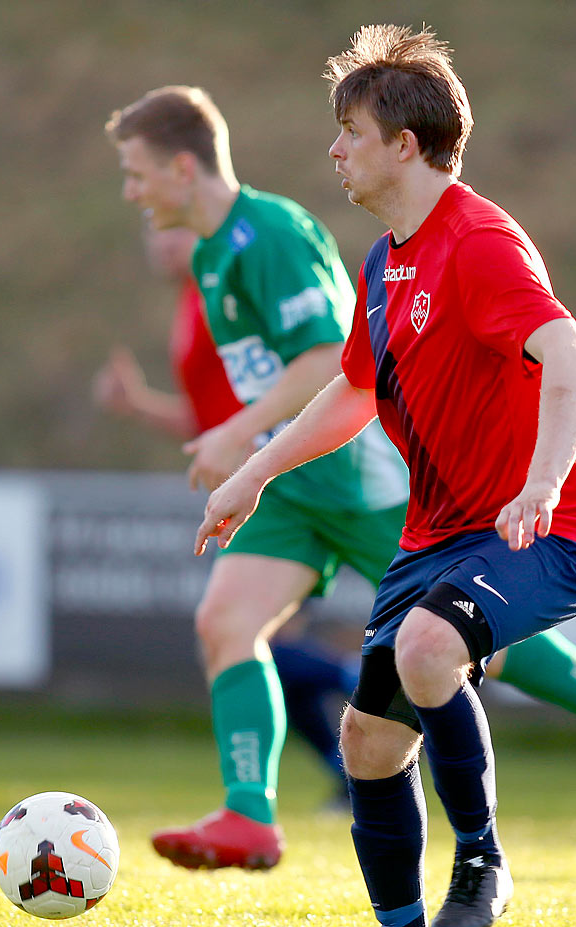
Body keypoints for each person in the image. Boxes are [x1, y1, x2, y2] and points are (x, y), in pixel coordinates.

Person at [196, 24, 576, 927]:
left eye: (349, 130)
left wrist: (542, 484)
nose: (334, 150)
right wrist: (251, 474)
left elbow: (572, 360)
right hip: (438, 538)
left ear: (404, 145)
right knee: (367, 741)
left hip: (549, 531)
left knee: (428, 649)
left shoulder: (479, 243)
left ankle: (481, 858)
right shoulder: (385, 262)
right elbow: (350, 392)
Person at [107, 86, 415, 871]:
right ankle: (249, 817)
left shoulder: (268, 232)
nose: (129, 192)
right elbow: (267, 383)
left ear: (183, 167)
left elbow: (328, 361)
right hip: (288, 482)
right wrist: (240, 445)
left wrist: (237, 436)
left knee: (481, 639)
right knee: (222, 624)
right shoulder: (210, 255)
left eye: (136, 173)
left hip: (357, 471)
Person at [94, 223, 359, 805]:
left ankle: (364, 689)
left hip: (292, 487)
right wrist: (139, 407)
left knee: (258, 641)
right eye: (153, 232)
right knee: (261, 652)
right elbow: (209, 419)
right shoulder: (195, 303)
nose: (161, 241)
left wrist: (253, 457)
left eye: (174, 229)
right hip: (261, 484)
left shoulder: (227, 293)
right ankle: (344, 777)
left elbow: (301, 380)